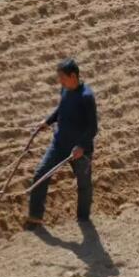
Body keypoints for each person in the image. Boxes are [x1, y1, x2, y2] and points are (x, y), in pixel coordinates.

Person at [25, 58, 98, 229]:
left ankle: (83, 218)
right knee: (40, 175)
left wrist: (81, 146)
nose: (60, 81)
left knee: (84, 184)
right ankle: (35, 218)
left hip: (79, 150)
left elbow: (93, 127)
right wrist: (48, 121)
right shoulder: (65, 90)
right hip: (60, 144)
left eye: (62, 78)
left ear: (73, 76)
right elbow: (61, 109)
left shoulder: (86, 97)